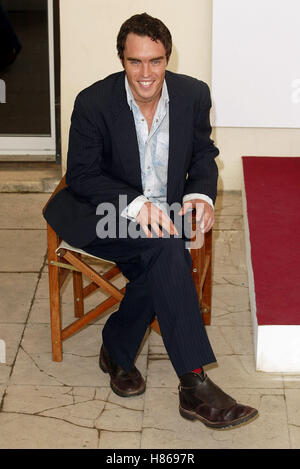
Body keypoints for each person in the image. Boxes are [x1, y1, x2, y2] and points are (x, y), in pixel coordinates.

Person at [44, 13, 258, 429]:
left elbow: (202, 154)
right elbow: (83, 173)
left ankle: (117, 349)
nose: (146, 73)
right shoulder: (93, 102)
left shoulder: (193, 94)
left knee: (164, 252)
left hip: (167, 212)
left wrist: (199, 195)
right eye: (135, 61)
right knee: (169, 250)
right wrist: (134, 203)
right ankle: (193, 384)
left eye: (155, 61)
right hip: (107, 212)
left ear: (168, 59)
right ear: (122, 59)